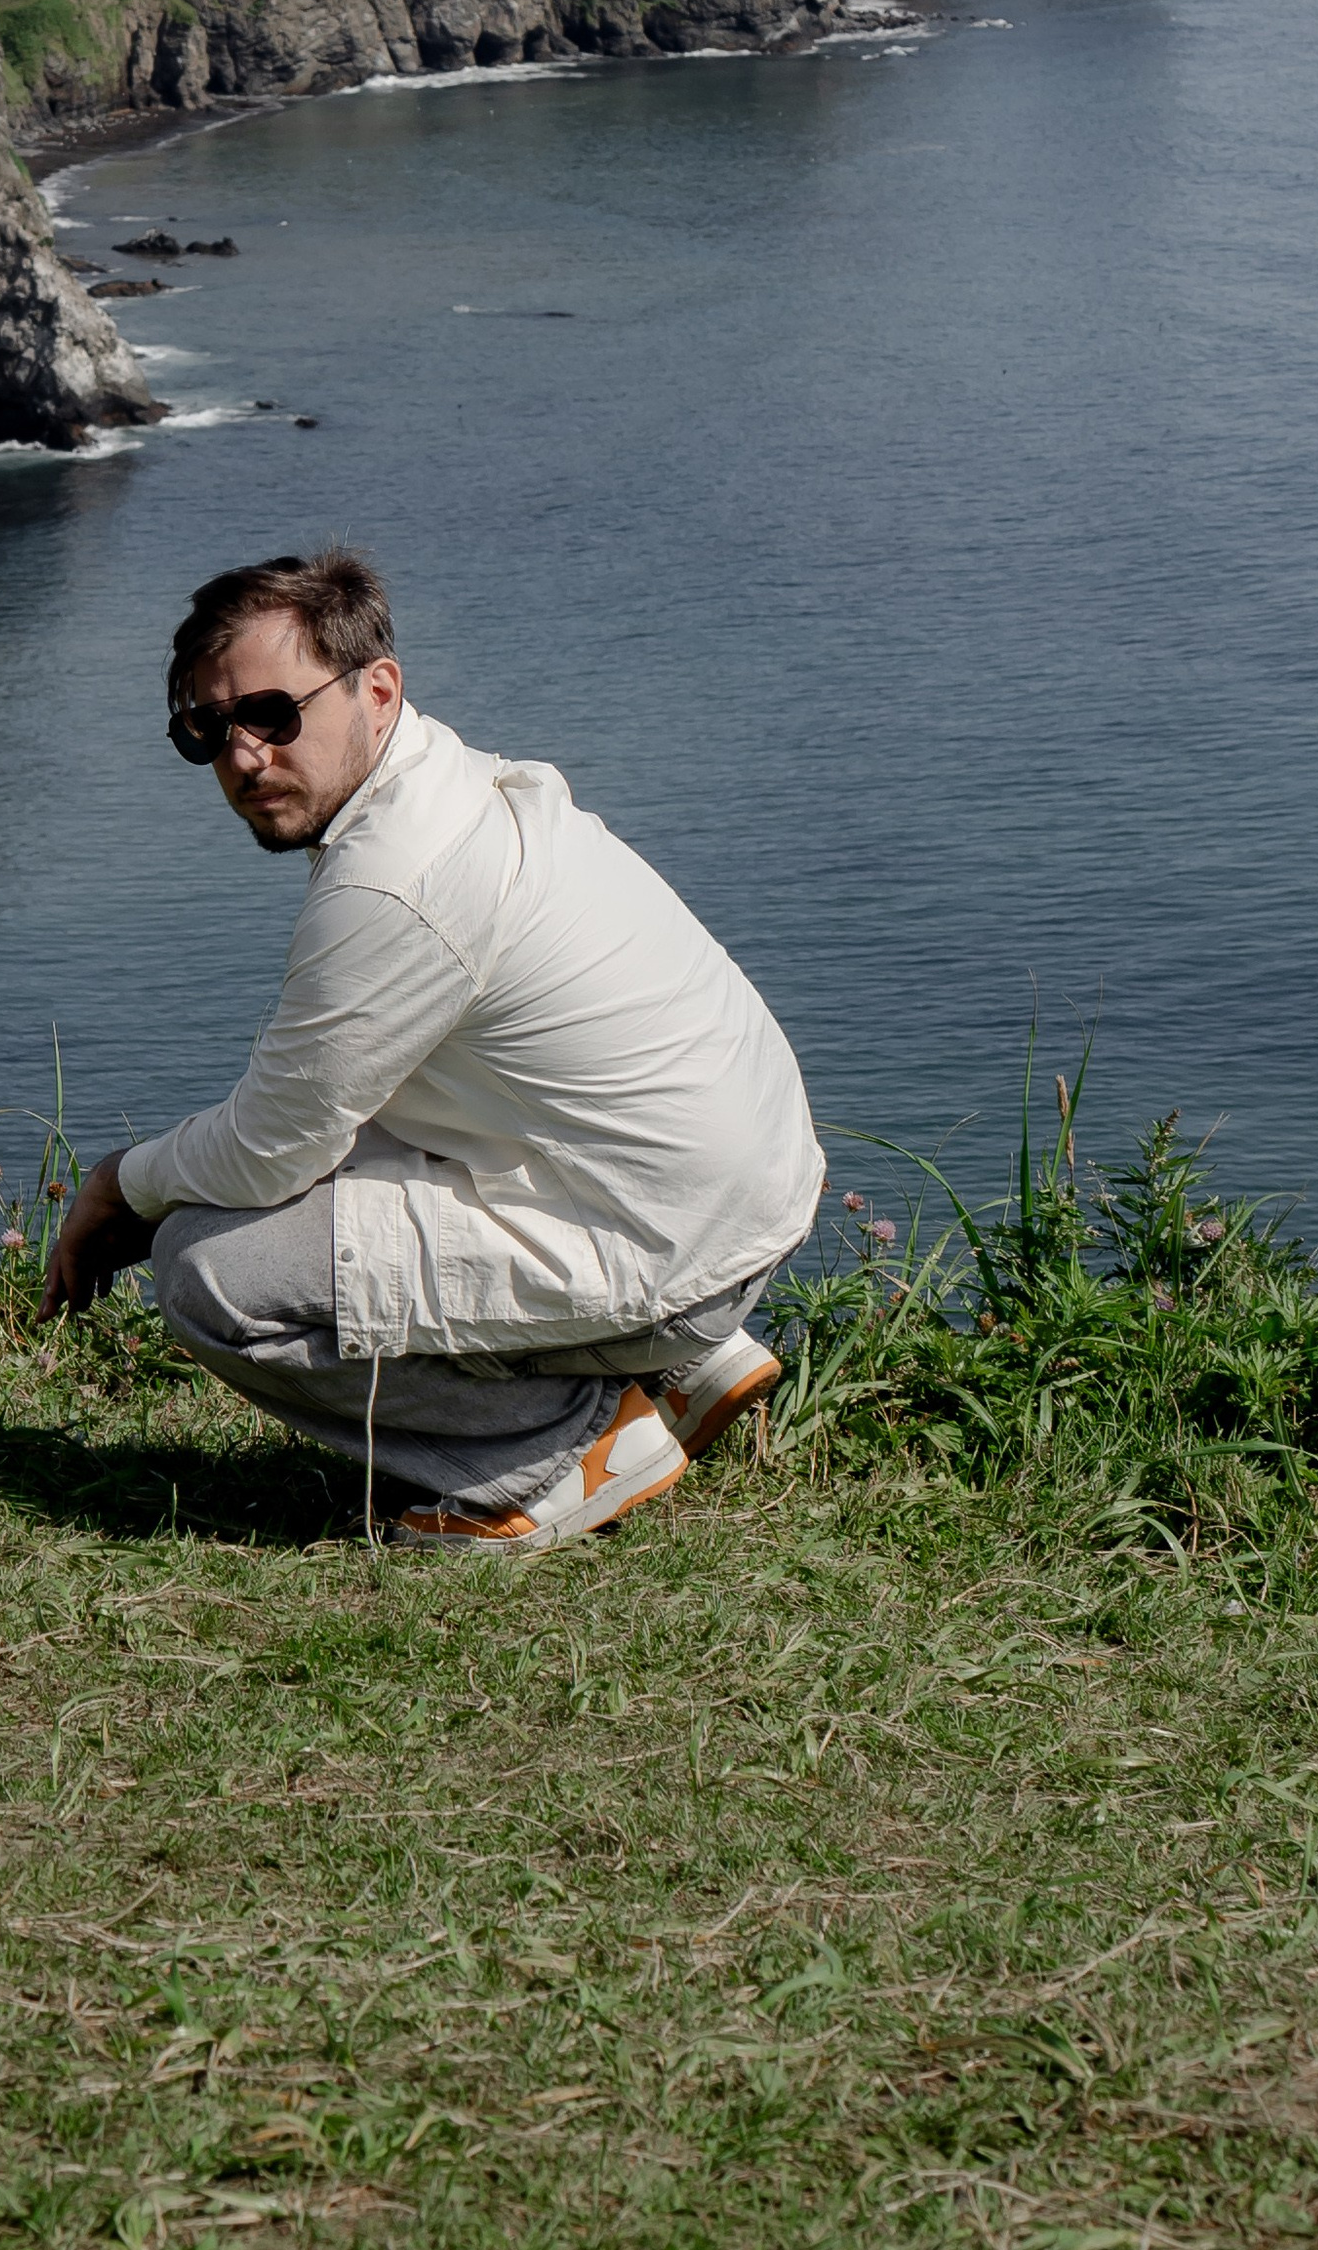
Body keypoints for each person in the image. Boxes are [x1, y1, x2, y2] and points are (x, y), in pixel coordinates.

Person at [42, 546, 823, 1550]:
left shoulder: (392, 877)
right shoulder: (450, 782)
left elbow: (273, 1146)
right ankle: (676, 1366)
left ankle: (556, 1457)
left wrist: (119, 1183)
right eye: (207, 730)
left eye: (274, 715)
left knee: (207, 1267)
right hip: (727, 1197)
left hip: (681, 1247)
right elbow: (316, 1120)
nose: (242, 757)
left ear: (376, 689)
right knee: (312, 1165)